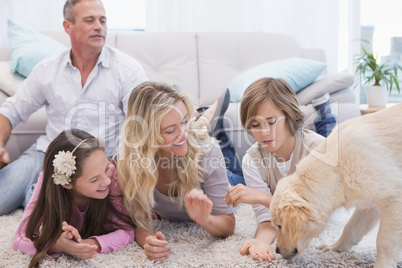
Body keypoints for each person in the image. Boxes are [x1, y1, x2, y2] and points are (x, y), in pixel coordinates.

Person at [0, 0, 147, 215]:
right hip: (46, 154)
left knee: (63, 213)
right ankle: (36, 195)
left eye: (103, 20)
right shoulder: (47, 70)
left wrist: (119, 170)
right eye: (90, 20)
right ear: (68, 27)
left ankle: (37, 198)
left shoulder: (128, 69)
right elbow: (10, 111)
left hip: (101, 163)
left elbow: (141, 127)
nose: (99, 26)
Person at [117, 81, 235, 262]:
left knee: (226, 159)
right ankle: (202, 119)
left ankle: (208, 118)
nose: (182, 134)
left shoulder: (208, 151)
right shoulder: (131, 159)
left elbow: (228, 225)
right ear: (145, 134)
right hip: (191, 147)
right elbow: (139, 223)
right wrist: (150, 241)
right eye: (170, 130)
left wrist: (205, 220)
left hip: (229, 173)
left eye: (184, 121)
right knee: (197, 133)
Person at [224, 77, 325, 262]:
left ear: (290, 116)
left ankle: (325, 112)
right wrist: (261, 242)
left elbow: (311, 216)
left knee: (330, 133)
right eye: (255, 125)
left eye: (271, 122)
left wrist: (262, 197)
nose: (264, 132)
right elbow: (267, 218)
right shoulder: (252, 160)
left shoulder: (318, 150)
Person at [12, 129, 136, 268]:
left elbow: (128, 231)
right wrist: (55, 245)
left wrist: (89, 244)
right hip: (47, 191)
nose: (106, 181)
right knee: (30, 198)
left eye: (106, 167)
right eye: (94, 179)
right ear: (67, 183)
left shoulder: (112, 176)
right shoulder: (48, 180)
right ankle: (30, 192)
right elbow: (19, 240)